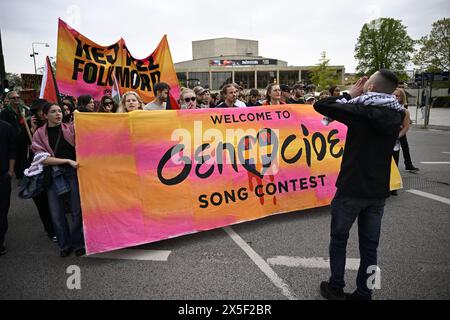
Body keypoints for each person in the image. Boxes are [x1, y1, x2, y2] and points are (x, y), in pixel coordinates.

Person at [314, 69, 404, 300]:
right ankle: (366, 292)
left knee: (339, 239)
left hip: (352, 188)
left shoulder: (362, 110)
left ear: (371, 87)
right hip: (377, 192)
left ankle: (335, 286)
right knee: (370, 246)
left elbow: (322, 106)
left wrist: (348, 94)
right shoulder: (396, 113)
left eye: (366, 84)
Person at [31, 102, 85, 257]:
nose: (58, 114)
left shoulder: (71, 129)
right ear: (45, 115)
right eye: (53, 112)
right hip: (53, 177)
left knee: (76, 211)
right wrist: (66, 161)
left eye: (60, 111)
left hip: (72, 175)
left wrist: (81, 117)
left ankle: (78, 243)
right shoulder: (39, 134)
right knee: (56, 213)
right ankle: (64, 245)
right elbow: (42, 159)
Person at [28, 99, 57, 241]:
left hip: (54, 170)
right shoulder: (28, 127)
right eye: (39, 111)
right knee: (42, 203)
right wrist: (32, 131)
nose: (41, 113)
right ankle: (51, 230)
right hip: (37, 172)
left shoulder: (55, 126)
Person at [0, 91, 30, 179]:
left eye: (18, 97)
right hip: (12, 140)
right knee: (15, 157)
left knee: (24, 157)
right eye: (14, 98)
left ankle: (24, 175)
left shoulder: (24, 109)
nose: (16, 99)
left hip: (23, 139)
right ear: (9, 100)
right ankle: (18, 175)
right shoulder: (5, 112)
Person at [393, 88, 419, 172]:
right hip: (391, 133)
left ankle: (408, 164)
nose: (395, 97)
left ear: (402, 97)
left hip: (400, 131)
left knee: (404, 146)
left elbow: (406, 126)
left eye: (398, 96)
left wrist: (398, 136)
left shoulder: (404, 111)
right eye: (394, 95)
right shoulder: (386, 107)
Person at [0, 120, 16, 256]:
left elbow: (12, 150)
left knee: (2, 208)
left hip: (2, 175)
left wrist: (10, 171)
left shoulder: (6, 127)